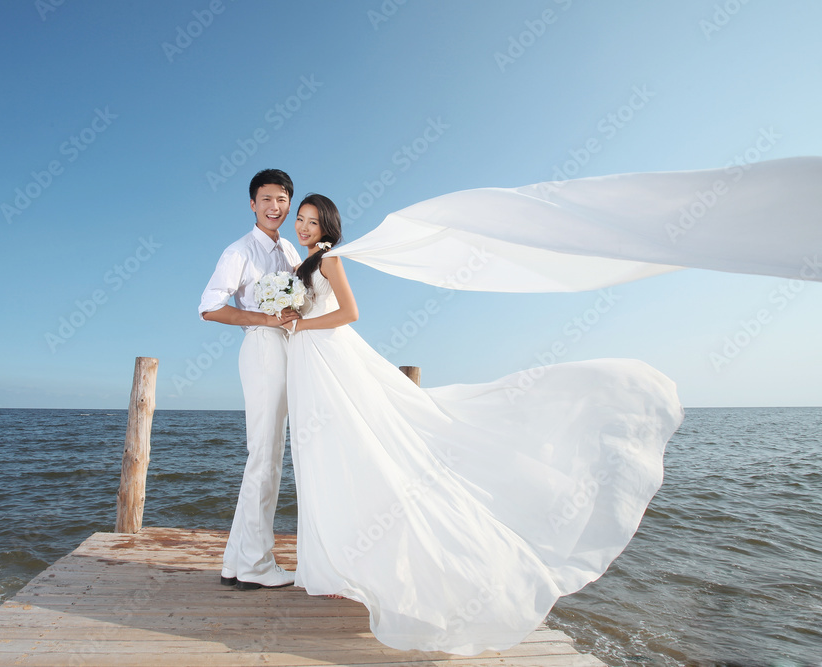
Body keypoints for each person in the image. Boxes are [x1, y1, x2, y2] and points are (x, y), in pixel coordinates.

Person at [281, 193, 684, 655]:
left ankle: (369, 570)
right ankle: (331, 568)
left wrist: (299, 326)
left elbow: (349, 313)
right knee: (322, 457)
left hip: (329, 360)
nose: (304, 226)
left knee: (354, 448)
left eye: (312, 220)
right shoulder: (302, 266)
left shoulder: (329, 260)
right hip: (310, 365)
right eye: (301, 220)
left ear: (327, 225)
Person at [198, 169, 303, 590]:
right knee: (266, 456)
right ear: (252, 204)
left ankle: (235, 564)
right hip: (261, 346)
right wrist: (263, 318)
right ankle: (257, 566)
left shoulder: (290, 249)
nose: (274, 206)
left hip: (287, 348)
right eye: (266, 199)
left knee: (265, 457)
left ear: (288, 203)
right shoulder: (239, 250)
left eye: (281, 199)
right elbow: (208, 306)